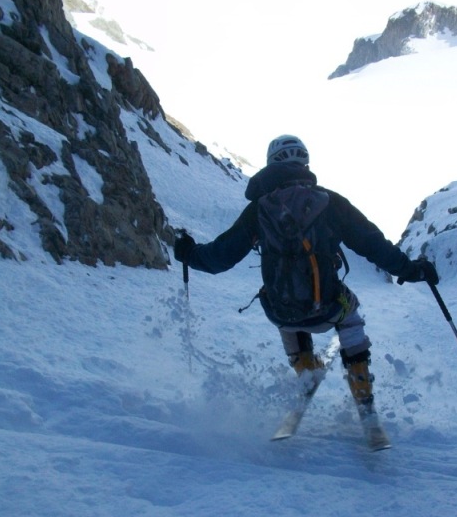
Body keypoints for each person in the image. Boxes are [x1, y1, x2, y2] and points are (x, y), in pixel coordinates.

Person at [173, 134, 438, 430]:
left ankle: (306, 368)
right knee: (350, 314)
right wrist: (413, 270)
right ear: (305, 163)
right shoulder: (331, 203)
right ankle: (363, 396)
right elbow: (374, 245)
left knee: (280, 308)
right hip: (327, 308)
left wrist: (187, 253)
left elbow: (219, 258)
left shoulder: (258, 210)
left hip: (279, 311)